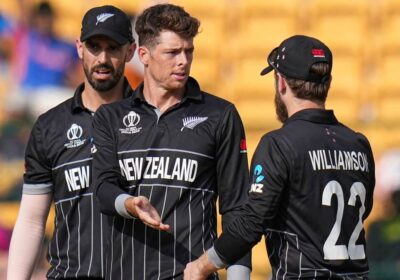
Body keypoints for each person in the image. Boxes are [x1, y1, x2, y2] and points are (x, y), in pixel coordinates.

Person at [184, 35, 375, 279]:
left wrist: (202, 266)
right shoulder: (359, 143)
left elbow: (251, 222)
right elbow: (363, 210)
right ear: (328, 83)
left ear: (281, 83)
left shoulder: (279, 143)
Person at [92, 3, 251, 280]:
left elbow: (237, 209)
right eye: (172, 52)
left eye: (189, 51)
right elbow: (103, 189)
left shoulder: (220, 115)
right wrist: (129, 204)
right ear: (144, 55)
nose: (183, 61)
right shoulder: (111, 117)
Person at [7, 5, 136, 279]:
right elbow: (32, 220)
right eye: (94, 47)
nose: (102, 58)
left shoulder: (153, 120)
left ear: (131, 51)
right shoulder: (50, 126)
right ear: (79, 48)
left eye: (113, 48)